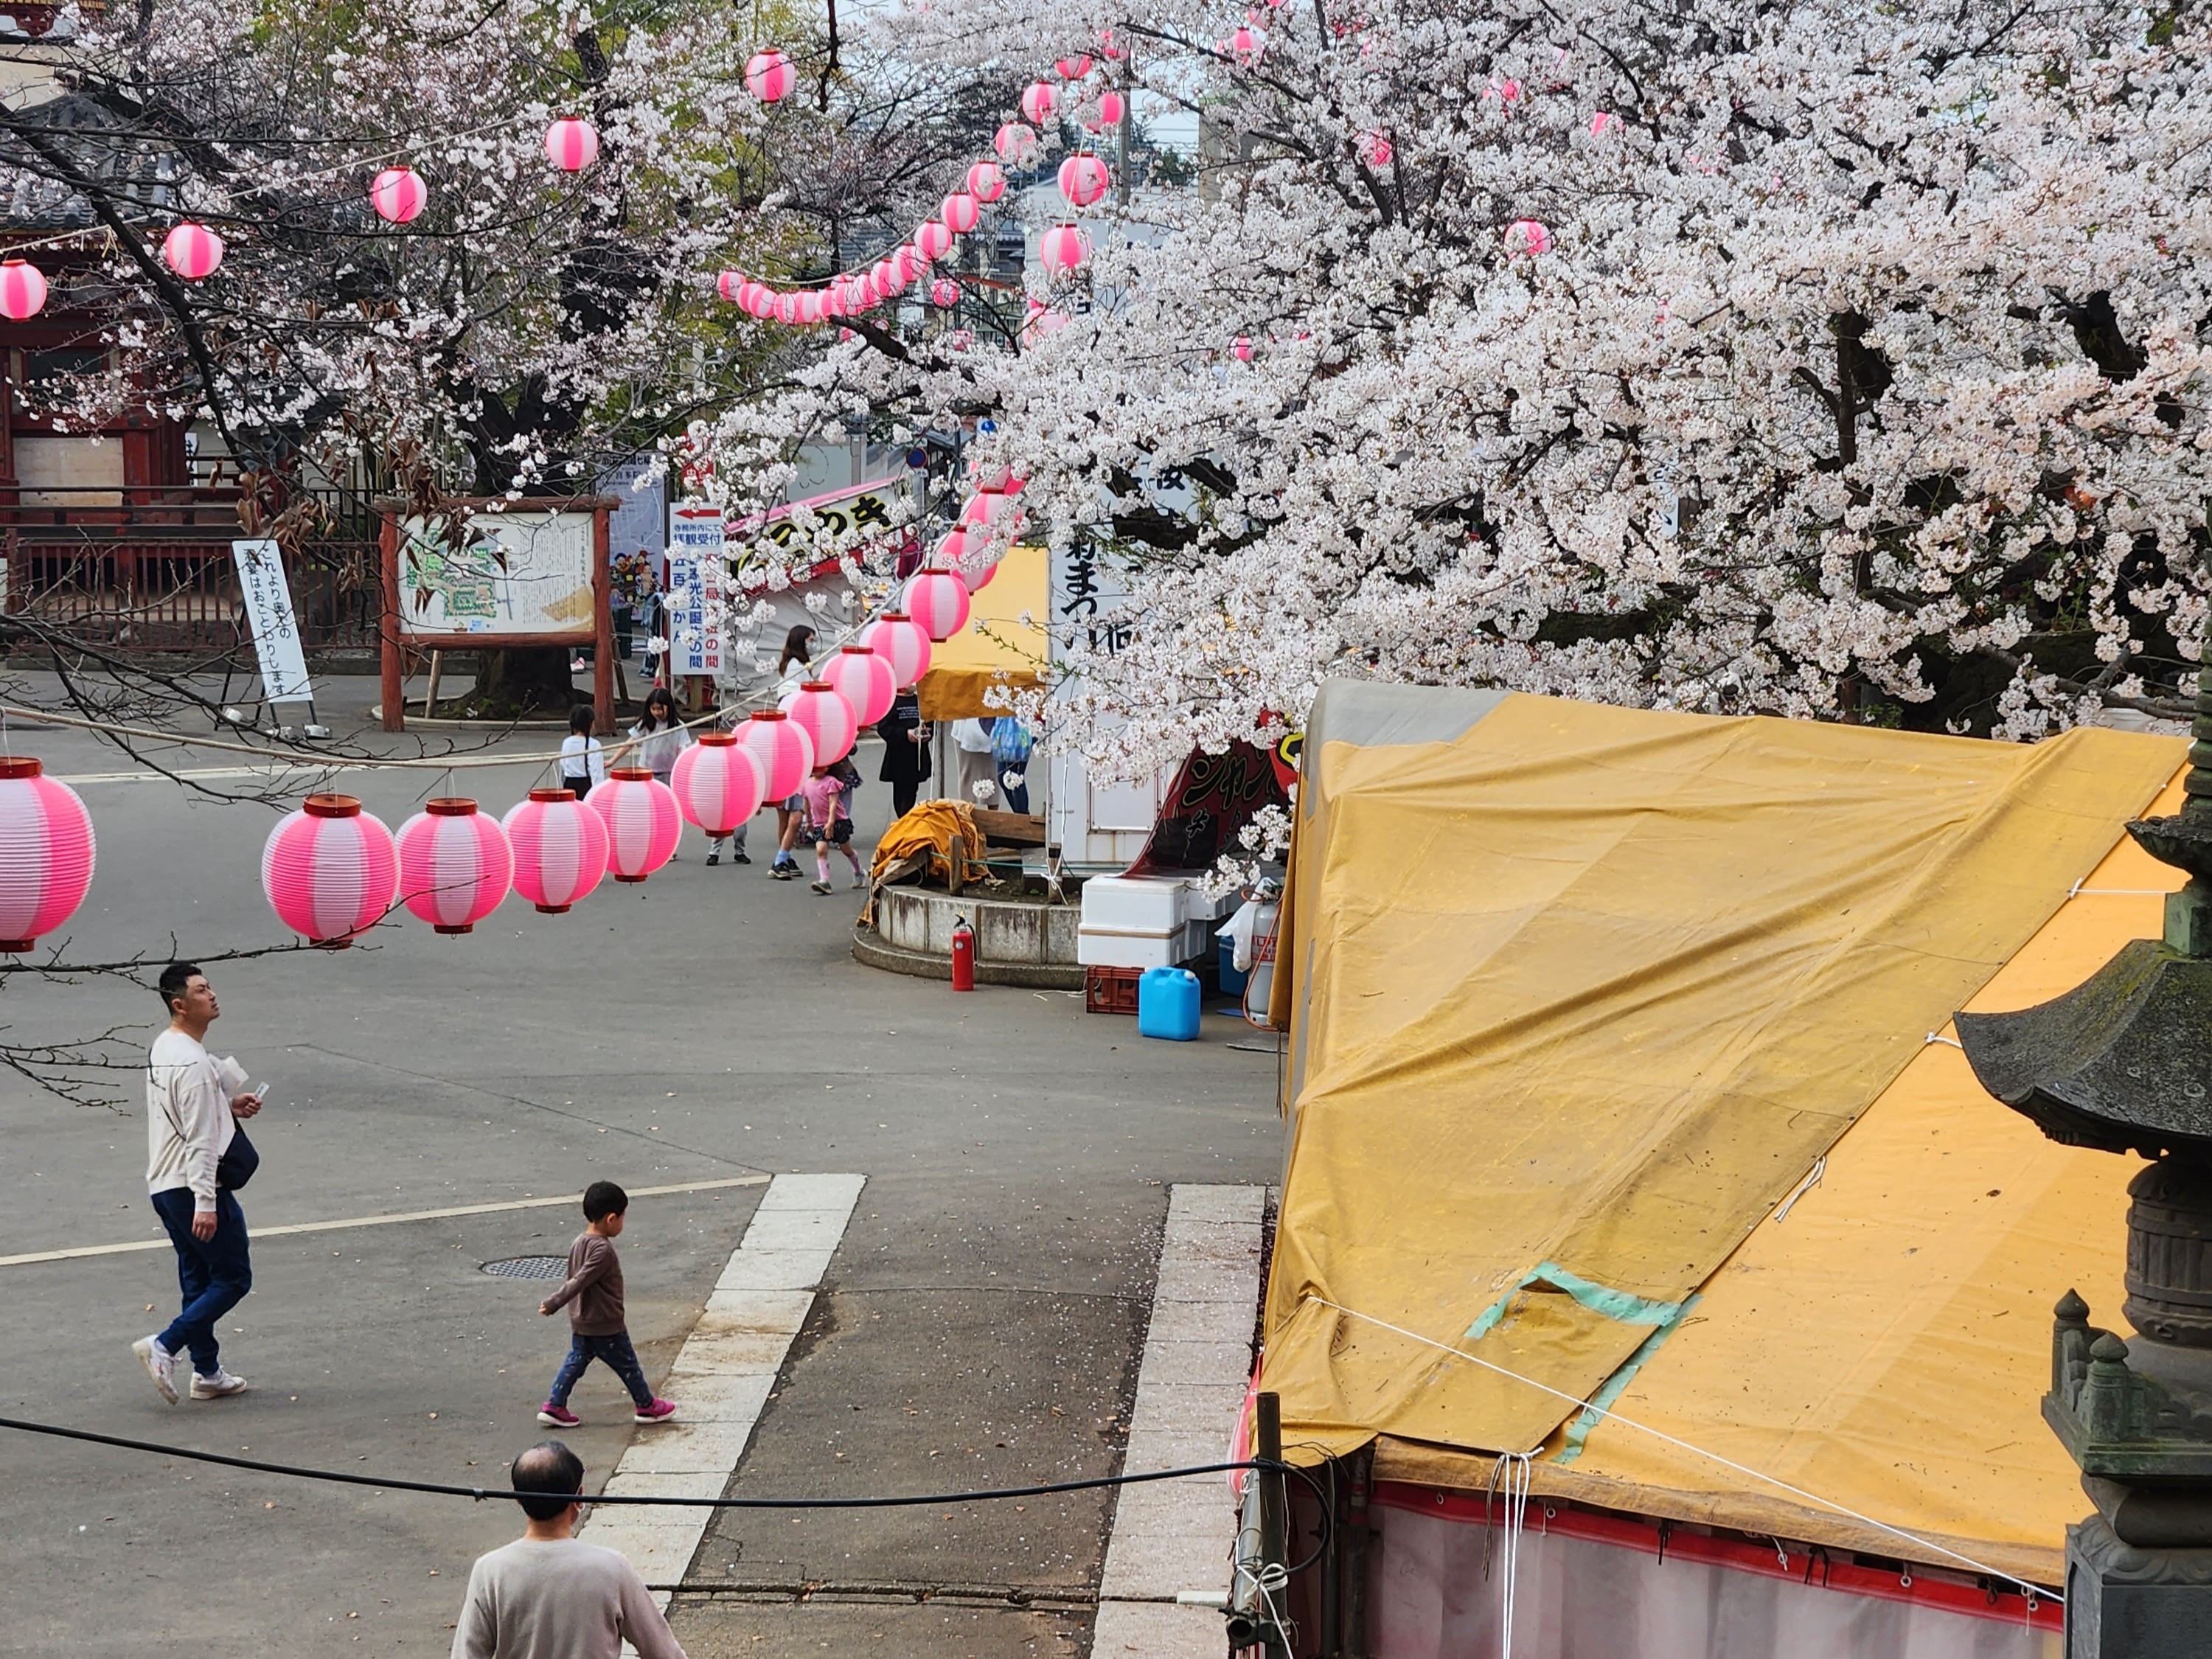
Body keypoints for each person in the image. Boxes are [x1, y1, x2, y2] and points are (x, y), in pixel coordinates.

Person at [133, 962, 263, 1405]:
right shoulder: (191, 1063)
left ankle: (206, 1372)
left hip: (165, 1186)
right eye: (201, 990)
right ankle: (165, 1345)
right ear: (179, 1004)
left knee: (197, 1277)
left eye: (209, 987)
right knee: (232, 1278)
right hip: (192, 1186)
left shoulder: (167, 1046)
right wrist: (206, 1202)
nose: (212, 995)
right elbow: (202, 1140)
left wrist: (226, 1102)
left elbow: (187, 1111)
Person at [448, 1439, 687, 1659]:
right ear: (579, 1496)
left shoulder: (490, 1571)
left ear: (518, 1498)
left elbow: (466, 1654)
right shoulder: (611, 1568)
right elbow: (664, 1652)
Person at [536, 1180, 675, 1427]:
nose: (623, 1223)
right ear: (611, 1219)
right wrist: (554, 1302)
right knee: (628, 1364)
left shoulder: (579, 1242)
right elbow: (579, 1280)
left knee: (576, 1361)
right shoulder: (603, 1251)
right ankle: (646, 1405)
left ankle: (555, 1405)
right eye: (622, 1217)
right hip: (605, 1322)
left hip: (582, 1319)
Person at [627, 688, 742, 864]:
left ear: (669, 707)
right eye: (653, 709)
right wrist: (612, 760)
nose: (656, 713)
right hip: (647, 775)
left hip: (669, 775)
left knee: (670, 815)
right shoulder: (647, 723)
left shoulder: (678, 727)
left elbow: (684, 752)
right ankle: (650, 847)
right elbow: (630, 743)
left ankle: (671, 848)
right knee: (649, 814)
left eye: (660, 708)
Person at [801, 763, 866, 894]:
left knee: (846, 849)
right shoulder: (807, 784)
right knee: (821, 849)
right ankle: (824, 880)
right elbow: (806, 804)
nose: (816, 771)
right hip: (819, 823)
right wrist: (809, 821)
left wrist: (831, 822)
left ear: (826, 768)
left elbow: (833, 803)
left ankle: (858, 870)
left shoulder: (831, 782)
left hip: (838, 822)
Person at [877, 690, 931, 818]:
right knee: (900, 791)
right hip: (898, 757)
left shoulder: (920, 701)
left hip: (917, 756)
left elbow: (929, 723)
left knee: (912, 790)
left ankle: (905, 820)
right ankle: (903, 820)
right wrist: (905, 734)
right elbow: (883, 728)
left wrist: (926, 733)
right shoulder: (892, 703)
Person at [557, 704, 605, 799]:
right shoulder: (594, 745)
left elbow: (562, 769)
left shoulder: (567, 742)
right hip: (585, 787)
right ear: (591, 724)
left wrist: (562, 789)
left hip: (569, 785)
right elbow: (597, 775)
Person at [950, 715, 998, 807]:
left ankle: (968, 816)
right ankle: (967, 815)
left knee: (991, 777)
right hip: (968, 727)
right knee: (969, 776)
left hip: (987, 727)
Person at [991, 714, 1034, 813]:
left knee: (1015, 778)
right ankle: (1020, 815)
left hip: (1023, 727)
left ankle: (1022, 819)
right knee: (1002, 778)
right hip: (1004, 727)